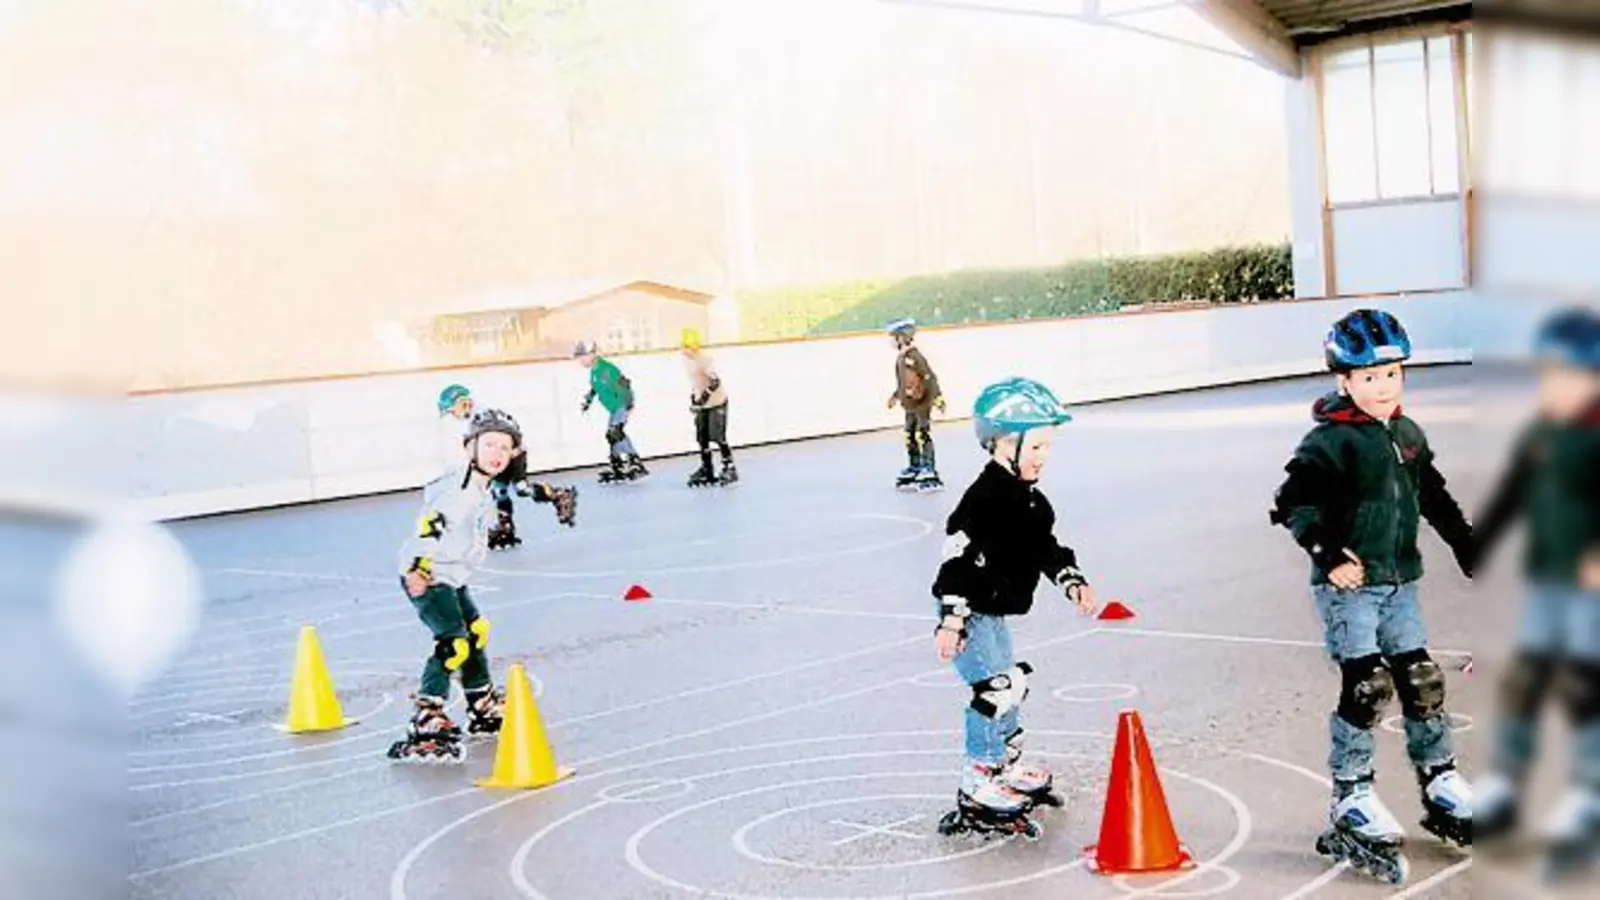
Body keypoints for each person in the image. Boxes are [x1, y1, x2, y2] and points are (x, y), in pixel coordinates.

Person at [1269, 308, 1474, 884]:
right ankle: (1351, 795)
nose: (1384, 387)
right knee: (1367, 687)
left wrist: (1464, 542)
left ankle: (1441, 782)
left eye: (1393, 375)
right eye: (1370, 378)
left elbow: (1432, 493)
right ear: (1344, 381)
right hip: (1351, 592)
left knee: (1422, 679)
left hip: (1399, 581)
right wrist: (1328, 554)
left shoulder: (1407, 434)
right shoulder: (1329, 441)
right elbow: (1292, 503)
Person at [932, 377, 1099, 840]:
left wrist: (1070, 578)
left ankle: (1005, 762)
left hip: (992, 608)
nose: (1044, 457)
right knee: (994, 689)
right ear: (1005, 443)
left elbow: (1044, 545)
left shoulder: (1028, 499)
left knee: (1013, 685)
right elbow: (957, 560)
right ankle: (979, 778)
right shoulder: (983, 500)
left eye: (1048, 447)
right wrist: (952, 619)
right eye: (1037, 447)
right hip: (969, 610)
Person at [1471, 307, 1600, 882]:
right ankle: (1504, 788)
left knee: (1585, 689)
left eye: (1564, 377)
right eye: (1545, 376)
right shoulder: (1541, 432)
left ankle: (1589, 798)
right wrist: (1480, 543)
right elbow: (1512, 490)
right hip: (1548, 579)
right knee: (1525, 680)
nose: (1551, 388)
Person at [388, 408, 522, 763]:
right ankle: (427, 713)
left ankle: (480, 701)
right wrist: (418, 566)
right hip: (431, 575)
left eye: (505, 447)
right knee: (454, 643)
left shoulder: (480, 485)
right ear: (469, 448)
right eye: (489, 444)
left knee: (477, 631)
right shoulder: (461, 488)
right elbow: (430, 523)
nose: (497, 453)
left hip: (452, 575)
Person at [433, 385, 576, 549]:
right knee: (499, 491)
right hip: (500, 455)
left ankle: (559, 495)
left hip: (514, 454)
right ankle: (506, 528)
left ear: (462, 403)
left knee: (521, 489)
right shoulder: (472, 419)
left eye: (452, 411)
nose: (453, 415)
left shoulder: (483, 416)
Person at [574, 340, 649, 484]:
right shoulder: (594, 371)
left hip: (621, 404)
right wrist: (588, 401)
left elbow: (624, 383)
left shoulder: (607, 369)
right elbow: (595, 388)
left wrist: (628, 403)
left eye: (582, 357)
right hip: (614, 408)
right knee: (611, 435)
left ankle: (634, 461)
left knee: (615, 432)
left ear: (592, 355)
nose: (580, 361)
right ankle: (618, 463)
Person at [886, 319, 946, 492]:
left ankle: (929, 468)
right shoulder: (901, 358)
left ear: (903, 337)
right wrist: (896, 395)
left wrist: (938, 397)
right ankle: (915, 465)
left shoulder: (915, 356)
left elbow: (929, 377)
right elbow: (904, 382)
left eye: (893, 337)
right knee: (909, 435)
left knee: (922, 434)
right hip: (909, 404)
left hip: (922, 403)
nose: (891, 341)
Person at [682, 328, 738, 487]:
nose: (683, 350)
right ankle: (707, 468)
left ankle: (729, 467)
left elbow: (715, 382)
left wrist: (703, 398)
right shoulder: (688, 361)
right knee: (702, 438)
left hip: (717, 402)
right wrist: (694, 400)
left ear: (692, 347)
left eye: (686, 346)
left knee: (718, 436)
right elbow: (696, 384)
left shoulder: (703, 360)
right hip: (703, 404)